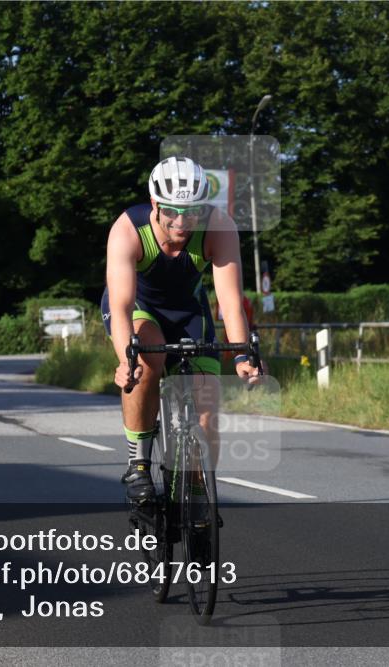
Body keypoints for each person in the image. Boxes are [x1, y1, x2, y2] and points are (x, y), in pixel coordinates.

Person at [102, 156, 261, 501]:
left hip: (189, 311)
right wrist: (124, 360)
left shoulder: (218, 227)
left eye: (192, 212)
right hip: (140, 308)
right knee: (146, 364)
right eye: (172, 211)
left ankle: (197, 497)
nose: (182, 221)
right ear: (155, 203)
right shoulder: (128, 229)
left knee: (207, 407)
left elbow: (230, 303)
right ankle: (139, 464)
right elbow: (121, 306)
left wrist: (241, 356)